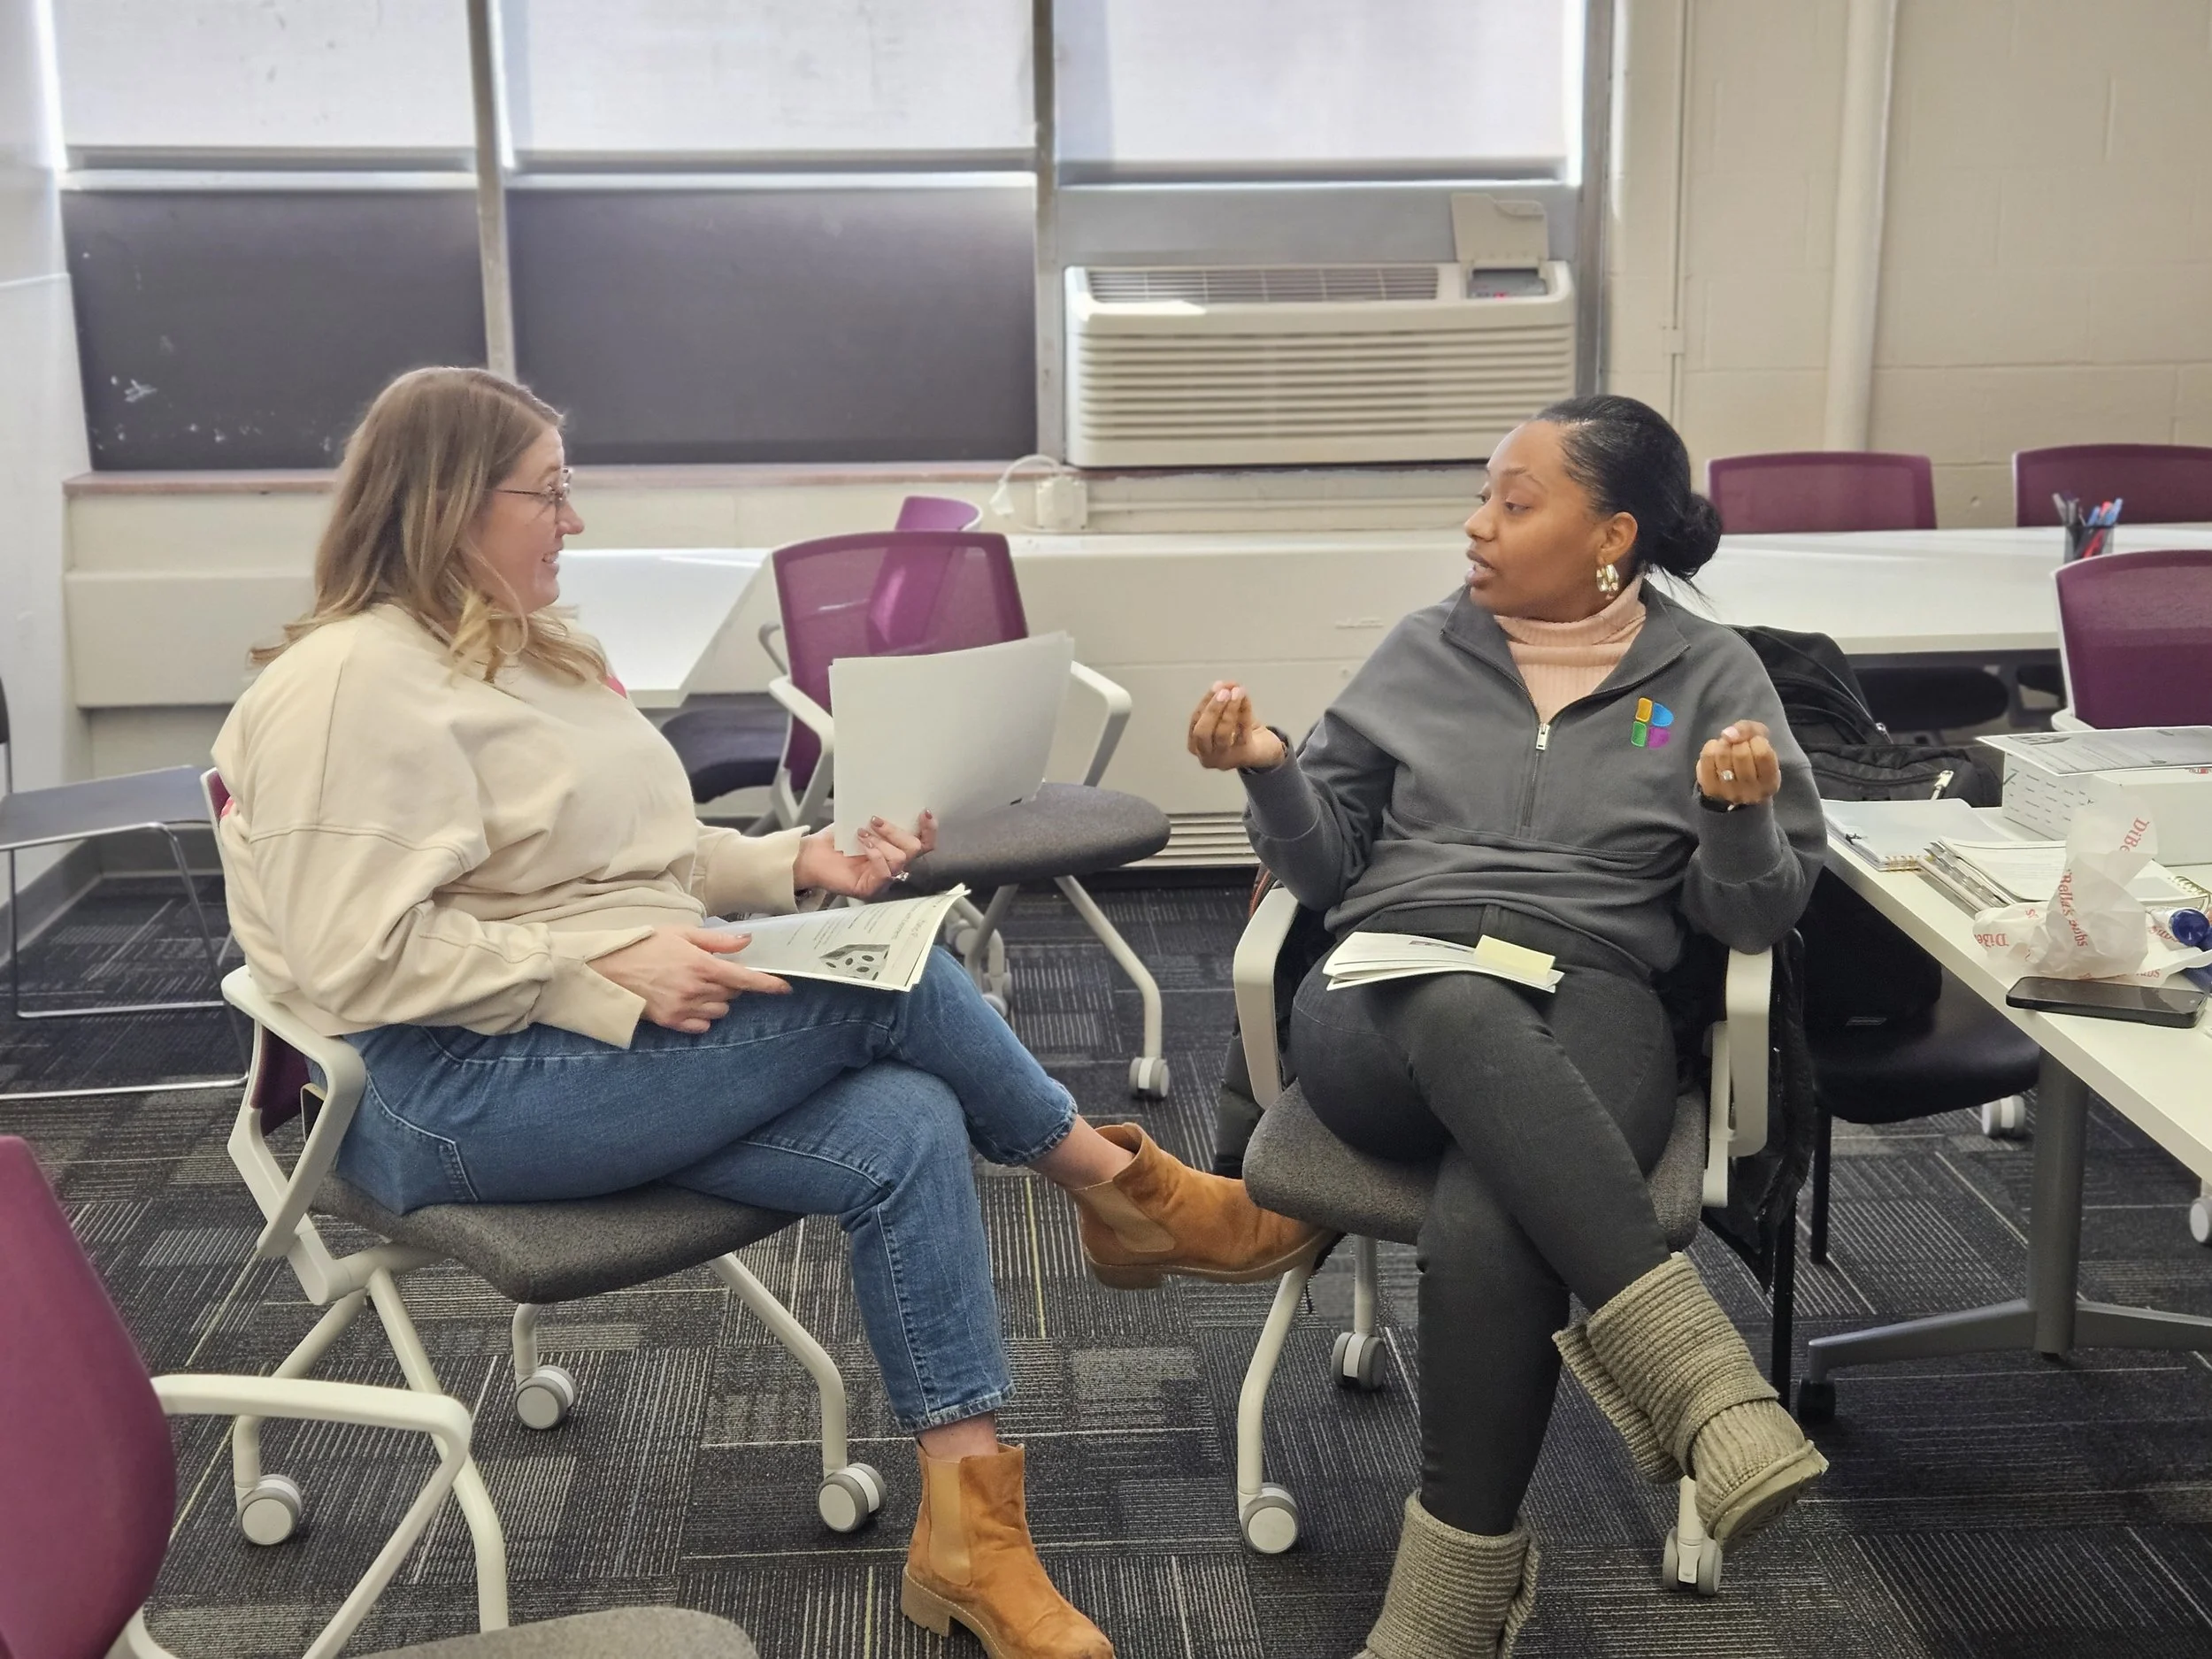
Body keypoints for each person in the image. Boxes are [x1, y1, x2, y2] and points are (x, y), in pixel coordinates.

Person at [213, 366, 1323, 1659]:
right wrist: (596, 971)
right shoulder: (350, 686)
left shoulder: (535, 649)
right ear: (451, 502)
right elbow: (354, 959)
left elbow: (641, 858)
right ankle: (1130, 1194)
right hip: (442, 1093)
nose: (573, 521)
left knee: (907, 1117)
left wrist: (799, 861)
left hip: (578, 1049)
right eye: (548, 493)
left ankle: (970, 1542)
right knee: (899, 975)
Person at [1188, 395, 1828, 1658]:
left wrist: (1739, 817)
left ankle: (1452, 1604)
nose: (1478, 525)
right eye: (1484, 497)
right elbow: (1325, 867)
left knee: (1497, 1204)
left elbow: (1753, 914)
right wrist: (1268, 765)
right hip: (1382, 992)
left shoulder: (1709, 677)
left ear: (1613, 536)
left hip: (1595, 992)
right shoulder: (1421, 649)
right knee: (1453, 996)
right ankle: (1700, 1376)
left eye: (1515, 502)